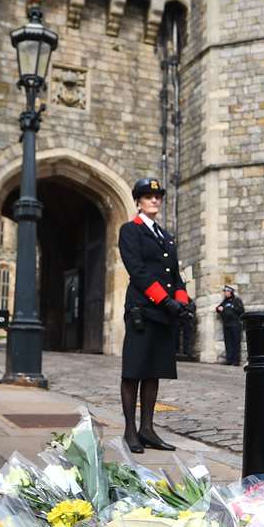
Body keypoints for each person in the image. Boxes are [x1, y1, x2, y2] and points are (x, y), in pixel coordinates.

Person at [117, 177, 188, 453]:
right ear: (138, 201)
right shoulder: (130, 231)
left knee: (153, 371)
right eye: (148, 196)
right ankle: (130, 430)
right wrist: (165, 300)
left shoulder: (165, 236)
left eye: (157, 196)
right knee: (134, 370)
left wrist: (182, 302)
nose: (154, 200)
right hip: (142, 310)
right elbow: (138, 270)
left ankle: (148, 428)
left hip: (163, 312)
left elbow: (175, 275)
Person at [215, 285, 245, 365]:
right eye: (225, 292)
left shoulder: (236, 300)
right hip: (226, 324)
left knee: (235, 342)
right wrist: (218, 309)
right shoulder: (225, 301)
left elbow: (241, 310)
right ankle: (229, 359)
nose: (226, 293)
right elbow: (218, 308)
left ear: (231, 292)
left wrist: (229, 308)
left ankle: (236, 360)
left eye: (227, 291)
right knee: (228, 343)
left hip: (235, 324)